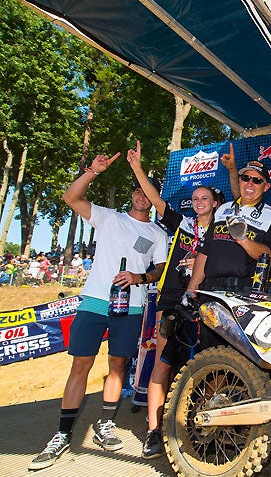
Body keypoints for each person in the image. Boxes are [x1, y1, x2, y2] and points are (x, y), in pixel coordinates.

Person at [30, 150, 168, 471]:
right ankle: (63, 434)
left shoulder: (157, 234)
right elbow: (70, 197)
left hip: (130, 306)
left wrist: (139, 277)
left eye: (146, 191)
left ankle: (104, 423)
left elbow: (160, 270)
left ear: (151, 197)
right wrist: (93, 171)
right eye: (136, 189)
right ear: (131, 194)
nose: (140, 195)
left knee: (118, 366)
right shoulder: (110, 217)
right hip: (94, 302)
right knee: (81, 366)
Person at [127, 140, 220, 459]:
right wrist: (138, 169)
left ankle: (204, 426)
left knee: (208, 366)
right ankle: (153, 432)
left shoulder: (222, 232)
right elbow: (154, 198)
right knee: (162, 365)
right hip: (171, 302)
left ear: (215, 202)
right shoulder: (183, 225)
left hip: (207, 305)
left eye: (204, 198)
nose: (198, 202)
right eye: (195, 198)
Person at [185, 158, 271, 295]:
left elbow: (270, 256)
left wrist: (243, 239)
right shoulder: (222, 209)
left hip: (245, 290)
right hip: (211, 288)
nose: (250, 184)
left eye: (257, 180)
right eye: (245, 178)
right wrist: (191, 289)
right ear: (240, 181)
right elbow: (205, 251)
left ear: (266, 187)